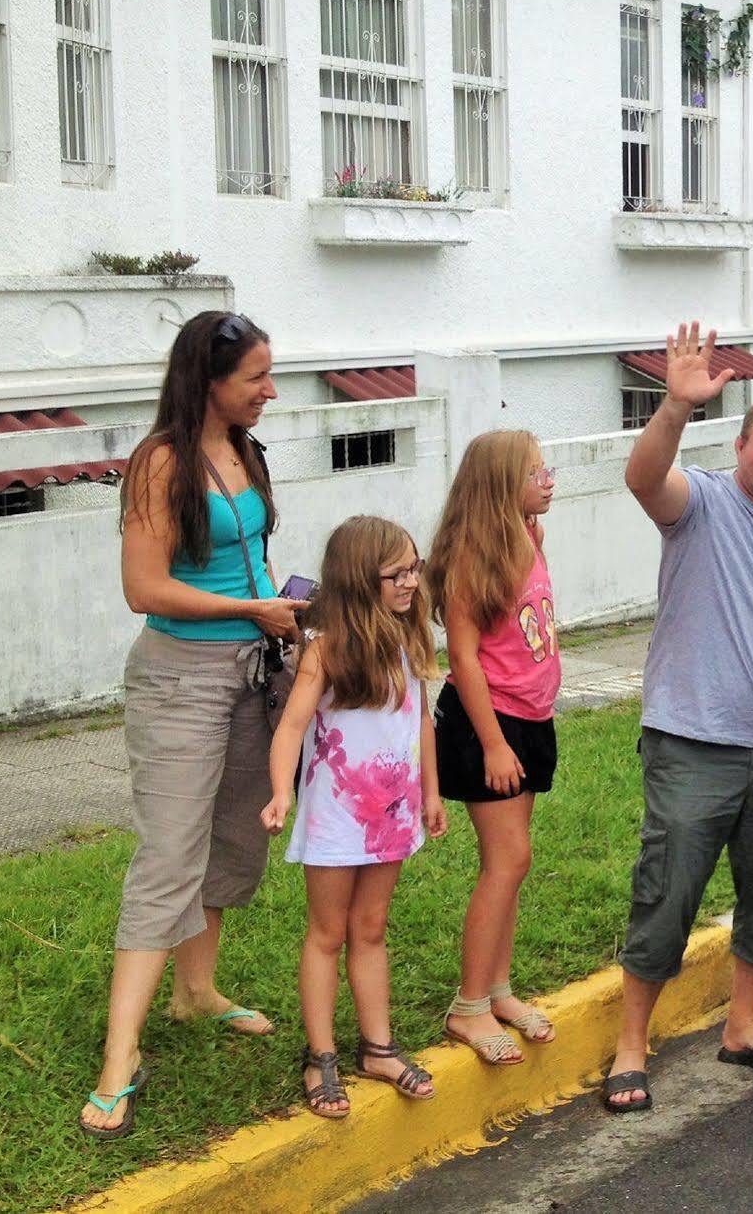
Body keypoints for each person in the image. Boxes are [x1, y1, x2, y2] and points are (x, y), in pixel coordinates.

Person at [81, 311, 310, 1139]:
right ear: (206, 380)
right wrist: (247, 607)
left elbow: (239, 553)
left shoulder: (243, 449)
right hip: (181, 680)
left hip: (253, 670)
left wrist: (275, 611)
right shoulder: (161, 462)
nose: (269, 390)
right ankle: (120, 1055)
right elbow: (143, 587)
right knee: (169, 853)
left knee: (229, 840)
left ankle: (194, 992)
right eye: (254, 377)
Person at [603, 323, 753, 1112]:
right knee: (667, 892)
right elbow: (641, 478)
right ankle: (630, 1045)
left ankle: (742, 1023)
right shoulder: (696, 501)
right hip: (692, 738)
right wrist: (672, 404)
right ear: (739, 447)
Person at [260, 516, 447, 1117]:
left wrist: (431, 794)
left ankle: (378, 1047)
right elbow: (291, 726)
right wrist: (280, 794)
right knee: (327, 933)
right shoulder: (325, 650)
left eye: (414, 569)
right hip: (336, 818)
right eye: (396, 573)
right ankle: (319, 1057)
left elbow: (420, 722)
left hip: (391, 813)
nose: (411, 582)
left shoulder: (409, 640)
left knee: (371, 929)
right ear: (359, 579)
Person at [425, 430, 564, 1065]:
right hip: (491, 726)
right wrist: (492, 744)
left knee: (517, 862)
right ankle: (470, 1006)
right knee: (504, 862)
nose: (549, 479)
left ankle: (499, 989)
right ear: (501, 484)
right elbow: (462, 656)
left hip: (528, 719)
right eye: (536, 471)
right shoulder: (473, 558)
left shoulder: (527, 535)